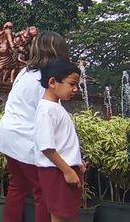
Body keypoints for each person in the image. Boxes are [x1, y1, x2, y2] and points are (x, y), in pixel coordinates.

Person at [0, 31, 70, 222]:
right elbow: (51, 119)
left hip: (7, 135)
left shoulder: (26, 72)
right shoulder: (48, 80)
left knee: (17, 187)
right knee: (43, 192)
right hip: (25, 139)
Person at [34, 58, 84, 222]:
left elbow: (63, 142)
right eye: (71, 84)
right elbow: (46, 147)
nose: (75, 89)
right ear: (53, 82)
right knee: (60, 217)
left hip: (64, 169)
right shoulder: (46, 110)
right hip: (57, 172)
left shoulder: (56, 107)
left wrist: (76, 162)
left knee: (68, 215)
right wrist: (67, 171)